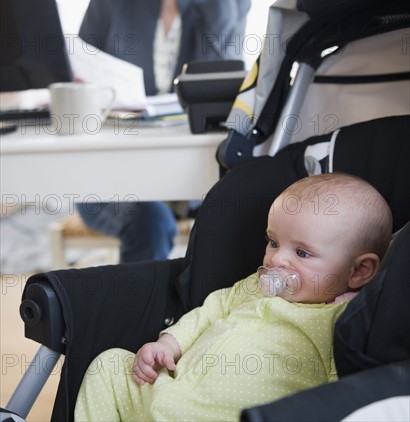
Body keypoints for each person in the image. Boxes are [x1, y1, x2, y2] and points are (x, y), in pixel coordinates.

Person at [74, 173, 393, 421]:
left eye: (302, 252)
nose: (277, 260)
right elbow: (210, 311)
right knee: (109, 365)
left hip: (227, 414)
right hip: (166, 391)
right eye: (273, 242)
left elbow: (339, 392)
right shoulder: (254, 285)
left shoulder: (342, 321)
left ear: (359, 271)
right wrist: (168, 345)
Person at [76, 0, 251, 263]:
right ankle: (141, 323)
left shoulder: (225, 1)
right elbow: (82, 86)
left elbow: (219, 90)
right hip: (113, 174)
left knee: (237, 219)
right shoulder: (107, 1)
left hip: (192, 174)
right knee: (149, 220)